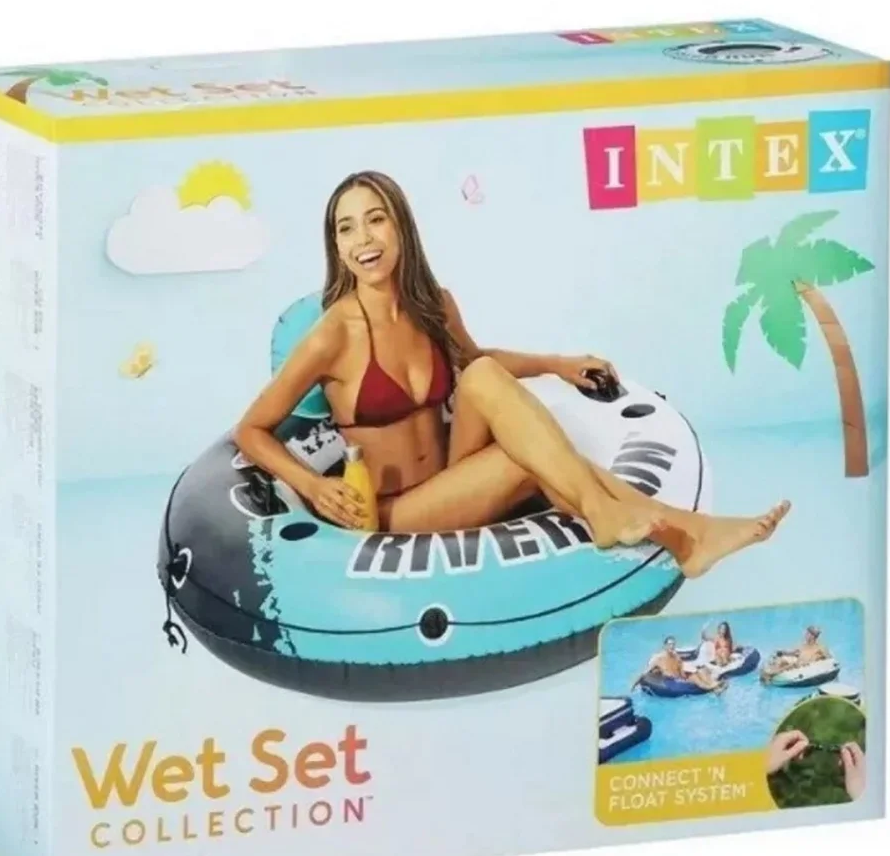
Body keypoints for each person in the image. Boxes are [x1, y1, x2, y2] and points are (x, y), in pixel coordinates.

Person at [233, 170, 790, 577]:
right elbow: (251, 429)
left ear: (401, 225)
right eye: (346, 228)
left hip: (452, 470)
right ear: (335, 245)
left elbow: (480, 361)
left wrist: (558, 365)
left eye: (375, 219)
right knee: (521, 459)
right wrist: (313, 485)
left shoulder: (434, 303)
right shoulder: (334, 333)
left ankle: (667, 531)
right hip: (392, 509)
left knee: (480, 375)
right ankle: (680, 532)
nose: (364, 240)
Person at [633, 637, 726, 694]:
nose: (672, 646)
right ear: (665, 646)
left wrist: (685, 677)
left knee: (698, 673)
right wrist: (633, 686)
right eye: (669, 644)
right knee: (697, 680)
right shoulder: (658, 658)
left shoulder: (676, 656)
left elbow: (680, 669)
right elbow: (644, 673)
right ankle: (714, 687)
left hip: (679, 678)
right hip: (670, 682)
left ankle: (715, 687)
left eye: (673, 644)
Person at [761, 626, 831, 681]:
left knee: (786, 667)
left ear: (813, 636)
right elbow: (793, 653)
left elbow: (830, 661)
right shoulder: (803, 645)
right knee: (781, 660)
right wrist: (782, 652)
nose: (805, 635)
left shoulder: (820, 647)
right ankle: (770, 674)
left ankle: (771, 674)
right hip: (796, 666)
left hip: (805, 669)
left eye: (807, 634)